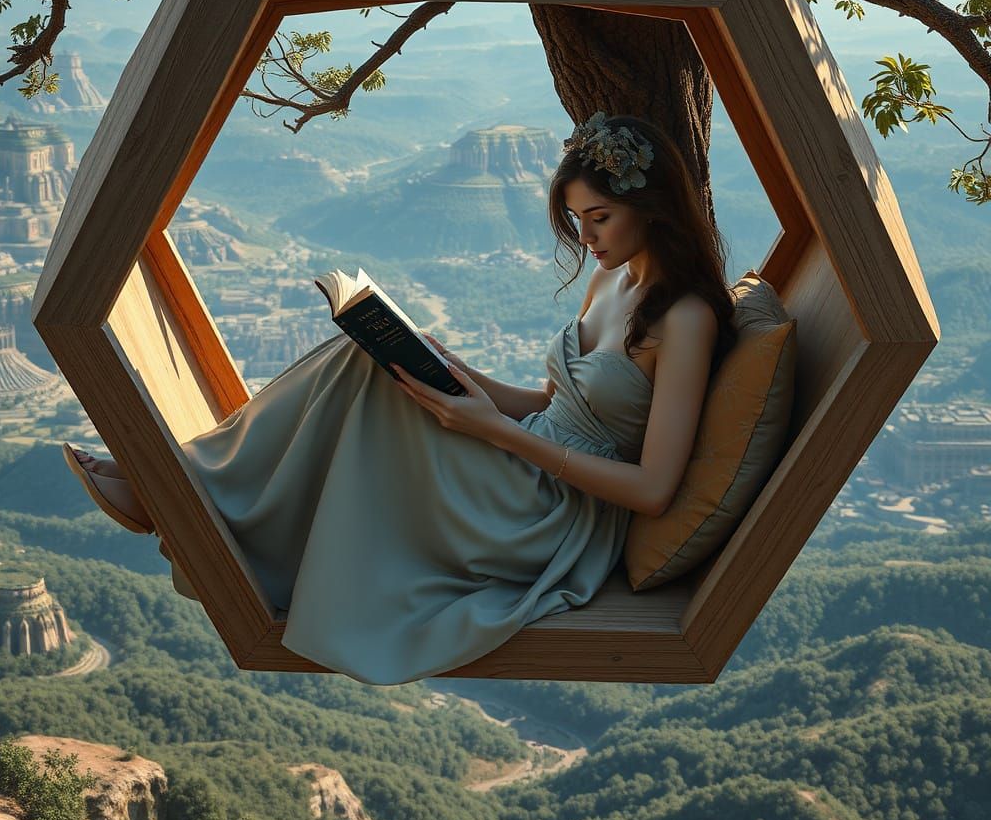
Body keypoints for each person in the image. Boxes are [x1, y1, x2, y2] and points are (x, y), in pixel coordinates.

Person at [62, 112, 738, 685]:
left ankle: (171, 491)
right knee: (372, 357)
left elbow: (652, 490)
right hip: (523, 464)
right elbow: (550, 403)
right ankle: (176, 483)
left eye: (600, 218)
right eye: (574, 219)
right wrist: (457, 369)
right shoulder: (611, 280)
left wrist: (493, 433)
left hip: (553, 515)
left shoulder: (684, 321)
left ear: (652, 209)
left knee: (366, 374)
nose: (586, 239)